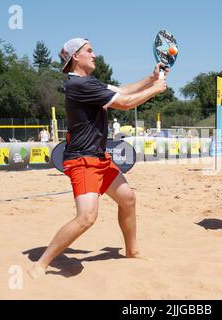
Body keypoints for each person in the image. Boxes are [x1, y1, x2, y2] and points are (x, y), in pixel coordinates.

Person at [28, 37, 167, 279]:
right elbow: (124, 103)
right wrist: (155, 90)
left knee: (128, 199)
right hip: (82, 160)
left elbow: (121, 90)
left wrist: (151, 78)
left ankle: (132, 252)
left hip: (98, 158)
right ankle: (40, 264)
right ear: (75, 57)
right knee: (86, 218)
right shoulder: (78, 85)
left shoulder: (88, 82)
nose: (94, 54)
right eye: (89, 51)